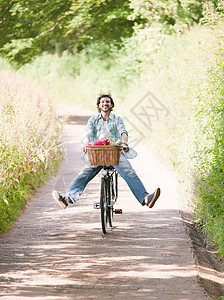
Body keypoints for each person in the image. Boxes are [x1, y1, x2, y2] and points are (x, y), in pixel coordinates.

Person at [52, 93, 160, 209]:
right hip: (97, 154)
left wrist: (124, 143)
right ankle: (67, 199)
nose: (105, 103)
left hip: (115, 153)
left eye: (107, 102)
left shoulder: (117, 119)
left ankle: (145, 198)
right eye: (102, 102)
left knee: (129, 172)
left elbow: (123, 132)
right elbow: (87, 134)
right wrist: (86, 145)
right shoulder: (93, 120)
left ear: (111, 105)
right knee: (84, 173)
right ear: (99, 105)